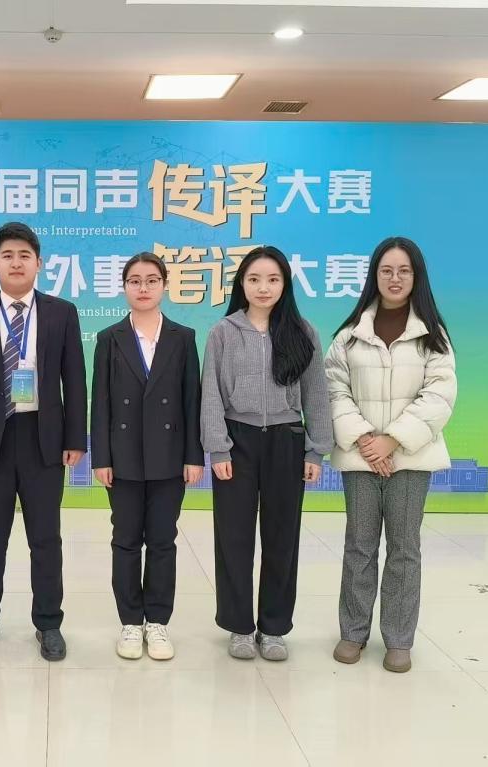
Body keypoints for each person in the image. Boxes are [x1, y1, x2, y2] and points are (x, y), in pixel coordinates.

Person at [0, 222, 87, 662]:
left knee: (45, 537)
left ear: (38, 263)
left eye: (24, 255)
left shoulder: (62, 312)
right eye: (7, 255)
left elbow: (74, 379)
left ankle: (48, 623)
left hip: (44, 439)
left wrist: (75, 437)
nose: (16, 262)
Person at [326, 236, 457, 673]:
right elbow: (333, 389)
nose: (395, 278)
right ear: (374, 276)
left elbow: (439, 395)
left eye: (404, 271)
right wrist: (366, 439)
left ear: (416, 277)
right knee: (359, 546)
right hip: (360, 458)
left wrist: (393, 440)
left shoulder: (432, 336)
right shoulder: (349, 335)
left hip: (410, 460)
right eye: (386, 270)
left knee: (403, 548)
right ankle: (353, 632)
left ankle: (399, 639)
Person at [201, 245, 332, 662]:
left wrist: (315, 452)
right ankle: (239, 626)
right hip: (236, 442)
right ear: (242, 283)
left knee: (282, 538)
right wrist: (218, 448)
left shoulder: (303, 332)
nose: (263, 287)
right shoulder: (223, 332)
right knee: (234, 538)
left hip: (285, 440)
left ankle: (274, 628)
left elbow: (317, 394)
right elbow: (210, 394)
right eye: (254, 279)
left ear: (284, 284)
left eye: (273, 279)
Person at [91, 252, 204, 660]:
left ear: (165, 286)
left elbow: (192, 400)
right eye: (135, 281)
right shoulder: (109, 338)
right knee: (125, 540)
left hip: (170, 458)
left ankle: (157, 622)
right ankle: (129, 622)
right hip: (121, 460)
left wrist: (194, 456)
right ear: (124, 287)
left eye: (152, 280)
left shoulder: (183, 337)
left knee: (162, 541)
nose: (143, 288)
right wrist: (101, 458)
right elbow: (100, 402)